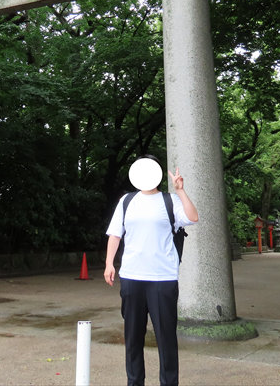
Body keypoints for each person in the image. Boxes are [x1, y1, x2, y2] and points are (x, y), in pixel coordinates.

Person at [104, 155, 198, 386]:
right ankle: (134, 382)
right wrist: (109, 263)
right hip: (132, 277)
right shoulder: (127, 201)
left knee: (166, 338)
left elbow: (193, 218)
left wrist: (181, 190)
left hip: (162, 279)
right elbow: (115, 233)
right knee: (133, 338)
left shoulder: (170, 201)